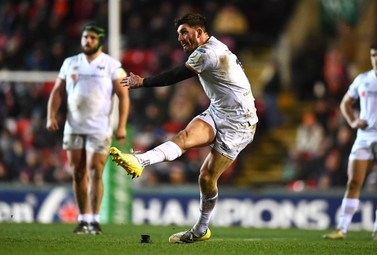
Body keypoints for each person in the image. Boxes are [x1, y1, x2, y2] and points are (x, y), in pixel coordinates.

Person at [109, 13, 258, 243]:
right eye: (179, 34)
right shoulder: (210, 48)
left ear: (200, 32)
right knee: (185, 136)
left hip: (240, 123)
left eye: (185, 32)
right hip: (218, 111)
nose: (180, 38)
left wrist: (144, 81)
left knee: (207, 177)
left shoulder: (208, 52)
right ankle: (140, 161)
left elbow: (177, 75)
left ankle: (201, 229)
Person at [46, 23, 129, 235]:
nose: (87, 41)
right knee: (78, 172)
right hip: (73, 127)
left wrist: (121, 125)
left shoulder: (111, 65)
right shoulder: (70, 63)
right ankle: (83, 219)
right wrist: (51, 116)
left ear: (99, 40)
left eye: (92, 37)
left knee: (95, 171)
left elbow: (123, 95)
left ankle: (94, 219)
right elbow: (57, 91)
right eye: (85, 37)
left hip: (99, 128)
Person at [323, 41, 377, 241]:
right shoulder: (363, 79)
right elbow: (345, 103)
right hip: (364, 137)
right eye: (373, 55)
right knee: (354, 181)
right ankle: (342, 229)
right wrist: (353, 121)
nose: (376, 59)